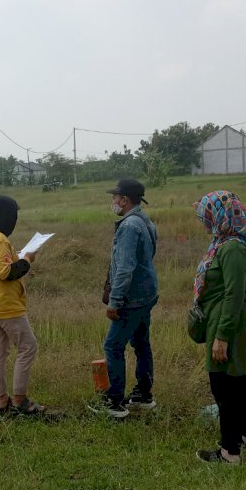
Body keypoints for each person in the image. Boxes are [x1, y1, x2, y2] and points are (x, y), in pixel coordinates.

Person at [191, 190, 246, 464]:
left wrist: (221, 336)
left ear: (220, 215)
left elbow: (234, 295)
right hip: (227, 322)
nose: (204, 221)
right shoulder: (225, 243)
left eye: (206, 215)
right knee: (240, 382)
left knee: (225, 388)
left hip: (228, 325)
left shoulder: (232, 248)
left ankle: (229, 452)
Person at [90, 179, 159, 418]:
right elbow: (150, 253)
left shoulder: (129, 226)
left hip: (131, 299)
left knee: (113, 345)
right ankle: (143, 395)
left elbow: (125, 267)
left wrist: (115, 301)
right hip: (146, 294)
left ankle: (114, 402)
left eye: (115, 198)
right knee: (141, 344)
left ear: (125, 200)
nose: (113, 202)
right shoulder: (144, 219)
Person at [0, 194, 45, 415]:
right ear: (3, 216)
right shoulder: (0, 240)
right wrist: (26, 260)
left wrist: (17, 258)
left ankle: (2, 400)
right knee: (28, 346)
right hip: (6, 307)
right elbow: (5, 273)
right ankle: (20, 400)